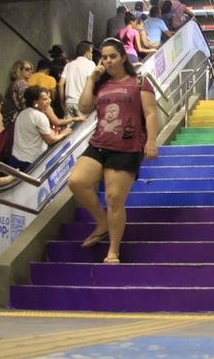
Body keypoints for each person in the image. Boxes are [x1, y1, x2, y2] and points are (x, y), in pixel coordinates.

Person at [67, 38, 158, 264]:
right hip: (99, 143)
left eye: (112, 56)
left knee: (114, 198)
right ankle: (102, 222)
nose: (107, 61)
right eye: (104, 57)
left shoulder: (138, 81)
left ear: (123, 57)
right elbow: (84, 107)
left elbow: (150, 113)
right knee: (76, 181)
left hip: (126, 147)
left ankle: (113, 251)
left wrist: (152, 140)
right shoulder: (101, 84)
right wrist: (91, 79)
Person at [10, 86, 72, 171]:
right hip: (31, 162)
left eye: (48, 98)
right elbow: (50, 140)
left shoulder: (22, 113)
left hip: (15, 159)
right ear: (35, 102)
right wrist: (64, 133)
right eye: (45, 99)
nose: (49, 101)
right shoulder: (39, 116)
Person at [59, 41, 96, 117]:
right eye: (91, 52)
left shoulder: (69, 65)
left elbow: (60, 84)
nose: (92, 55)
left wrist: (62, 103)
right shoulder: (91, 64)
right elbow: (91, 81)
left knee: (68, 128)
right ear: (86, 52)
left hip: (68, 102)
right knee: (83, 128)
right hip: (83, 103)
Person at [2, 60, 33, 127]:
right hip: (15, 119)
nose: (30, 71)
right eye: (27, 69)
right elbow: (24, 103)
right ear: (19, 70)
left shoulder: (15, 83)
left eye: (31, 69)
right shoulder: (21, 83)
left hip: (10, 119)